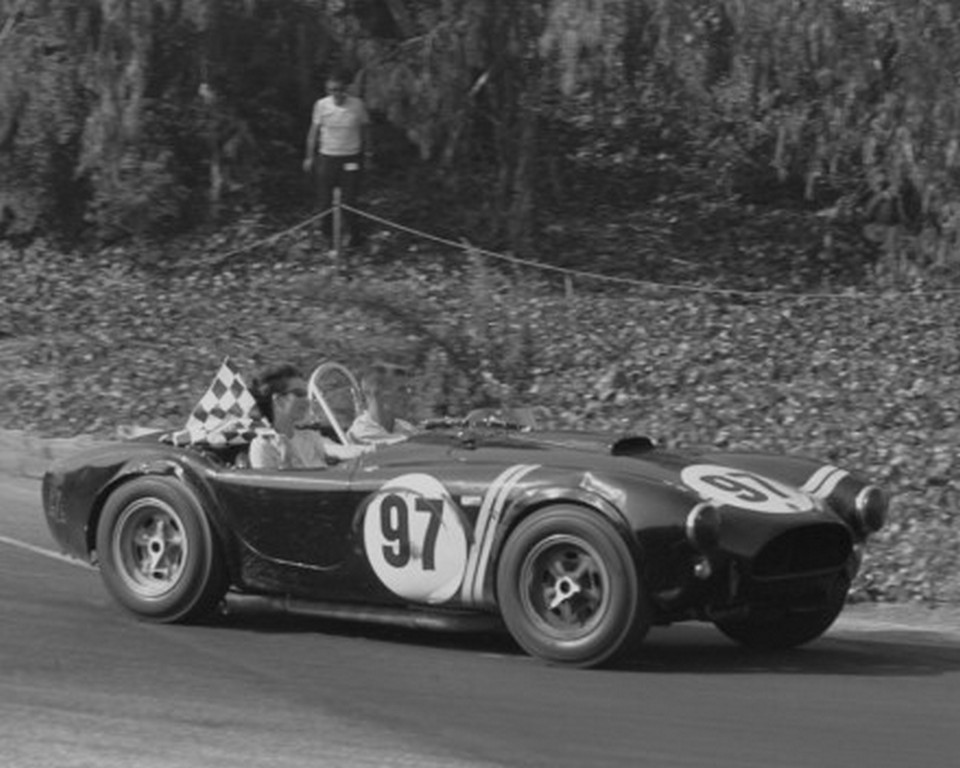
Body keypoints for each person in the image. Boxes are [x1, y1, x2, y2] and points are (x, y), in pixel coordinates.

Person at [249, 363, 373, 469]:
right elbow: (268, 491)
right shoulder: (263, 446)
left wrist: (380, 449)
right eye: (299, 394)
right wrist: (286, 458)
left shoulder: (311, 438)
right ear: (279, 400)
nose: (307, 400)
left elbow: (343, 451)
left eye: (306, 394)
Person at [302, 70, 372, 251]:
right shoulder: (321, 105)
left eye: (340, 89)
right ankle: (328, 237)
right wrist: (309, 156)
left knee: (349, 201)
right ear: (328, 90)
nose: (336, 94)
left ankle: (355, 238)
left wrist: (368, 154)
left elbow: (365, 131)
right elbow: (313, 133)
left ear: (346, 89)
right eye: (332, 90)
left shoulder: (357, 105)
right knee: (325, 202)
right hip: (327, 157)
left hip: (351, 157)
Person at [348, 362, 418, 445]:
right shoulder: (359, 436)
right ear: (376, 393)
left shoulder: (407, 427)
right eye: (401, 389)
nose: (408, 394)